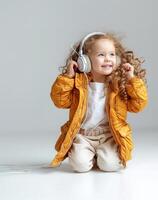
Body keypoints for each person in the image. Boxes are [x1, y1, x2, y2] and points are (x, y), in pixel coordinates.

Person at [49, 32, 148, 172]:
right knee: (80, 166)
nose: (108, 59)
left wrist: (132, 79)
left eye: (112, 54)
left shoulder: (119, 85)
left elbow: (138, 105)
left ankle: (101, 155)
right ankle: (89, 154)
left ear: (118, 59)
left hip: (109, 136)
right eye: (101, 55)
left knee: (110, 166)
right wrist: (67, 78)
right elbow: (60, 102)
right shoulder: (78, 83)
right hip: (84, 136)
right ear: (85, 61)